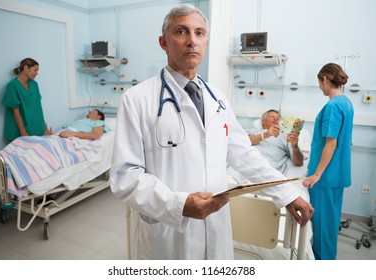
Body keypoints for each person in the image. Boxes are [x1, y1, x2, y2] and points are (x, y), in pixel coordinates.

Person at [110, 4, 314, 260]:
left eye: (199, 33)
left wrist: (286, 193)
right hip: (167, 231)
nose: (191, 41)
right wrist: (179, 205)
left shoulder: (217, 98)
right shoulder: (137, 99)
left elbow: (244, 155)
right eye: (181, 32)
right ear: (164, 42)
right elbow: (124, 177)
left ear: (206, 42)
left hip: (215, 227)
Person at [302, 63, 354, 260]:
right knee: (330, 223)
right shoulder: (346, 103)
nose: (319, 87)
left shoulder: (332, 106)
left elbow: (330, 144)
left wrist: (316, 174)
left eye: (319, 82)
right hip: (337, 173)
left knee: (323, 226)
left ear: (325, 79)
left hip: (325, 176)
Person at [1, 58, 52, 141]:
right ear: (26, 68)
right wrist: (23, 132)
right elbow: (15, 110)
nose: (37, 73)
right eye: (35, 70)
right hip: (21, 131)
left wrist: (45, 128)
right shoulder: (13, 86)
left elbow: (38, 107)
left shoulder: (34, 84)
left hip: (37, 129)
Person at [247, 109, 304, 176]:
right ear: (263, 121)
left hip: (266, 171)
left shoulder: (285, 137)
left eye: (277, 118)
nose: (275, 119)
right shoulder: (252, 131)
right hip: (247, 164)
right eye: (272, 117)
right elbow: (243, 142)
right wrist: (265, 135)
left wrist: (295, 146)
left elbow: (299, 163)